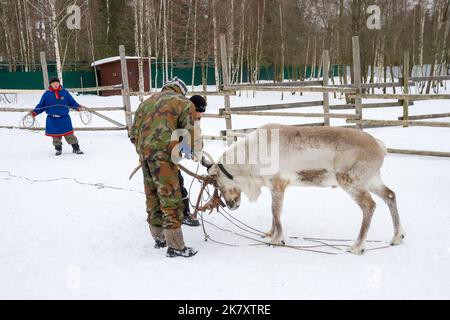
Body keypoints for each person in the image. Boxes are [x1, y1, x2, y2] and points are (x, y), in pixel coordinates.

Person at [130, 77, 201, 258]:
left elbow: (132, 134)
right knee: (170, 198)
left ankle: (159, 238)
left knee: (152, 195)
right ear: (181, 91)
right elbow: (188, 135)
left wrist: (146, 150)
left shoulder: (146, 103)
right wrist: (190, 151)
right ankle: (176, 246)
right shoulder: (183, 103)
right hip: (165, 157)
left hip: (145, 156)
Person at [28, 77, 85, 156]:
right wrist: (34, 112)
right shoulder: (47, 94)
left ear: (59, 83)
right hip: (52, 119)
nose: (55, 85)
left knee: (69, 135)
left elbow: (72, 102)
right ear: (51, 84)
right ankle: (58, 149)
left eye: (57, 83)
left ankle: (76, 148)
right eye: (53, 83)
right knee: (55, 136)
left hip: (64, 118)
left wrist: (78, 107)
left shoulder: (65, 93)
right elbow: (41, 106)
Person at [180, 95, 207, 227]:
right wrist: (186, 149)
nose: (201, 114)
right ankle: (184, 215)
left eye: (203, 111)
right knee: (176, 185)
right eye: (198, 111)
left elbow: (195, 139)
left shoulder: (195, 119)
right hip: (162, 152)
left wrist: (197, 153)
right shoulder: (181, 115)